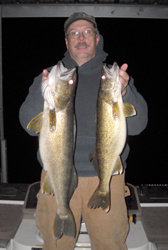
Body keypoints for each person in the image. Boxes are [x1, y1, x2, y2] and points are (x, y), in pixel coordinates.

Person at [19, 12, 148, 250]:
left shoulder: (114, 78)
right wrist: (44, 94)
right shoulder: (50, 76)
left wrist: (124, 92)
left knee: (111, 244)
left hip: (106, 177)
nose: (81, 38)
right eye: (74, 33)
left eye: (88, 32)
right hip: (57, 174)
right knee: (55, 243)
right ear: (66, 41)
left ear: (97, 39)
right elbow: (28, 125)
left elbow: (138, 125)